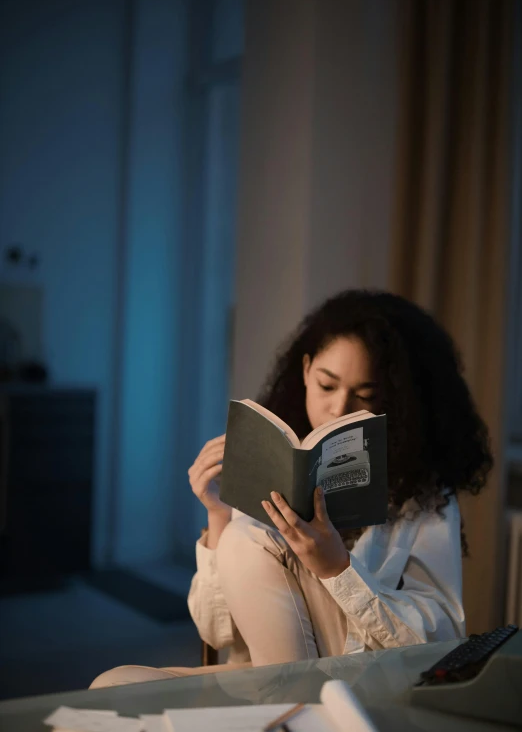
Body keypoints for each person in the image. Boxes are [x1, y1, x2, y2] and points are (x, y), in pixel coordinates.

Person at [90, 289, 491, 687]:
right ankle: (286, 708)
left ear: (395, 401)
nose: (338, 409)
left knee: (246, 537)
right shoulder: (279, 462)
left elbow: (441, 639)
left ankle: (293, 707)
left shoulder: (423, 496)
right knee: (110, 686)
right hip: (259, 673)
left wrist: (336, 568)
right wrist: (218, 516)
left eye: (365, 396)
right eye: (326, 385)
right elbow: (218, 634)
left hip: (352, 678)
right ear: (305, 370)